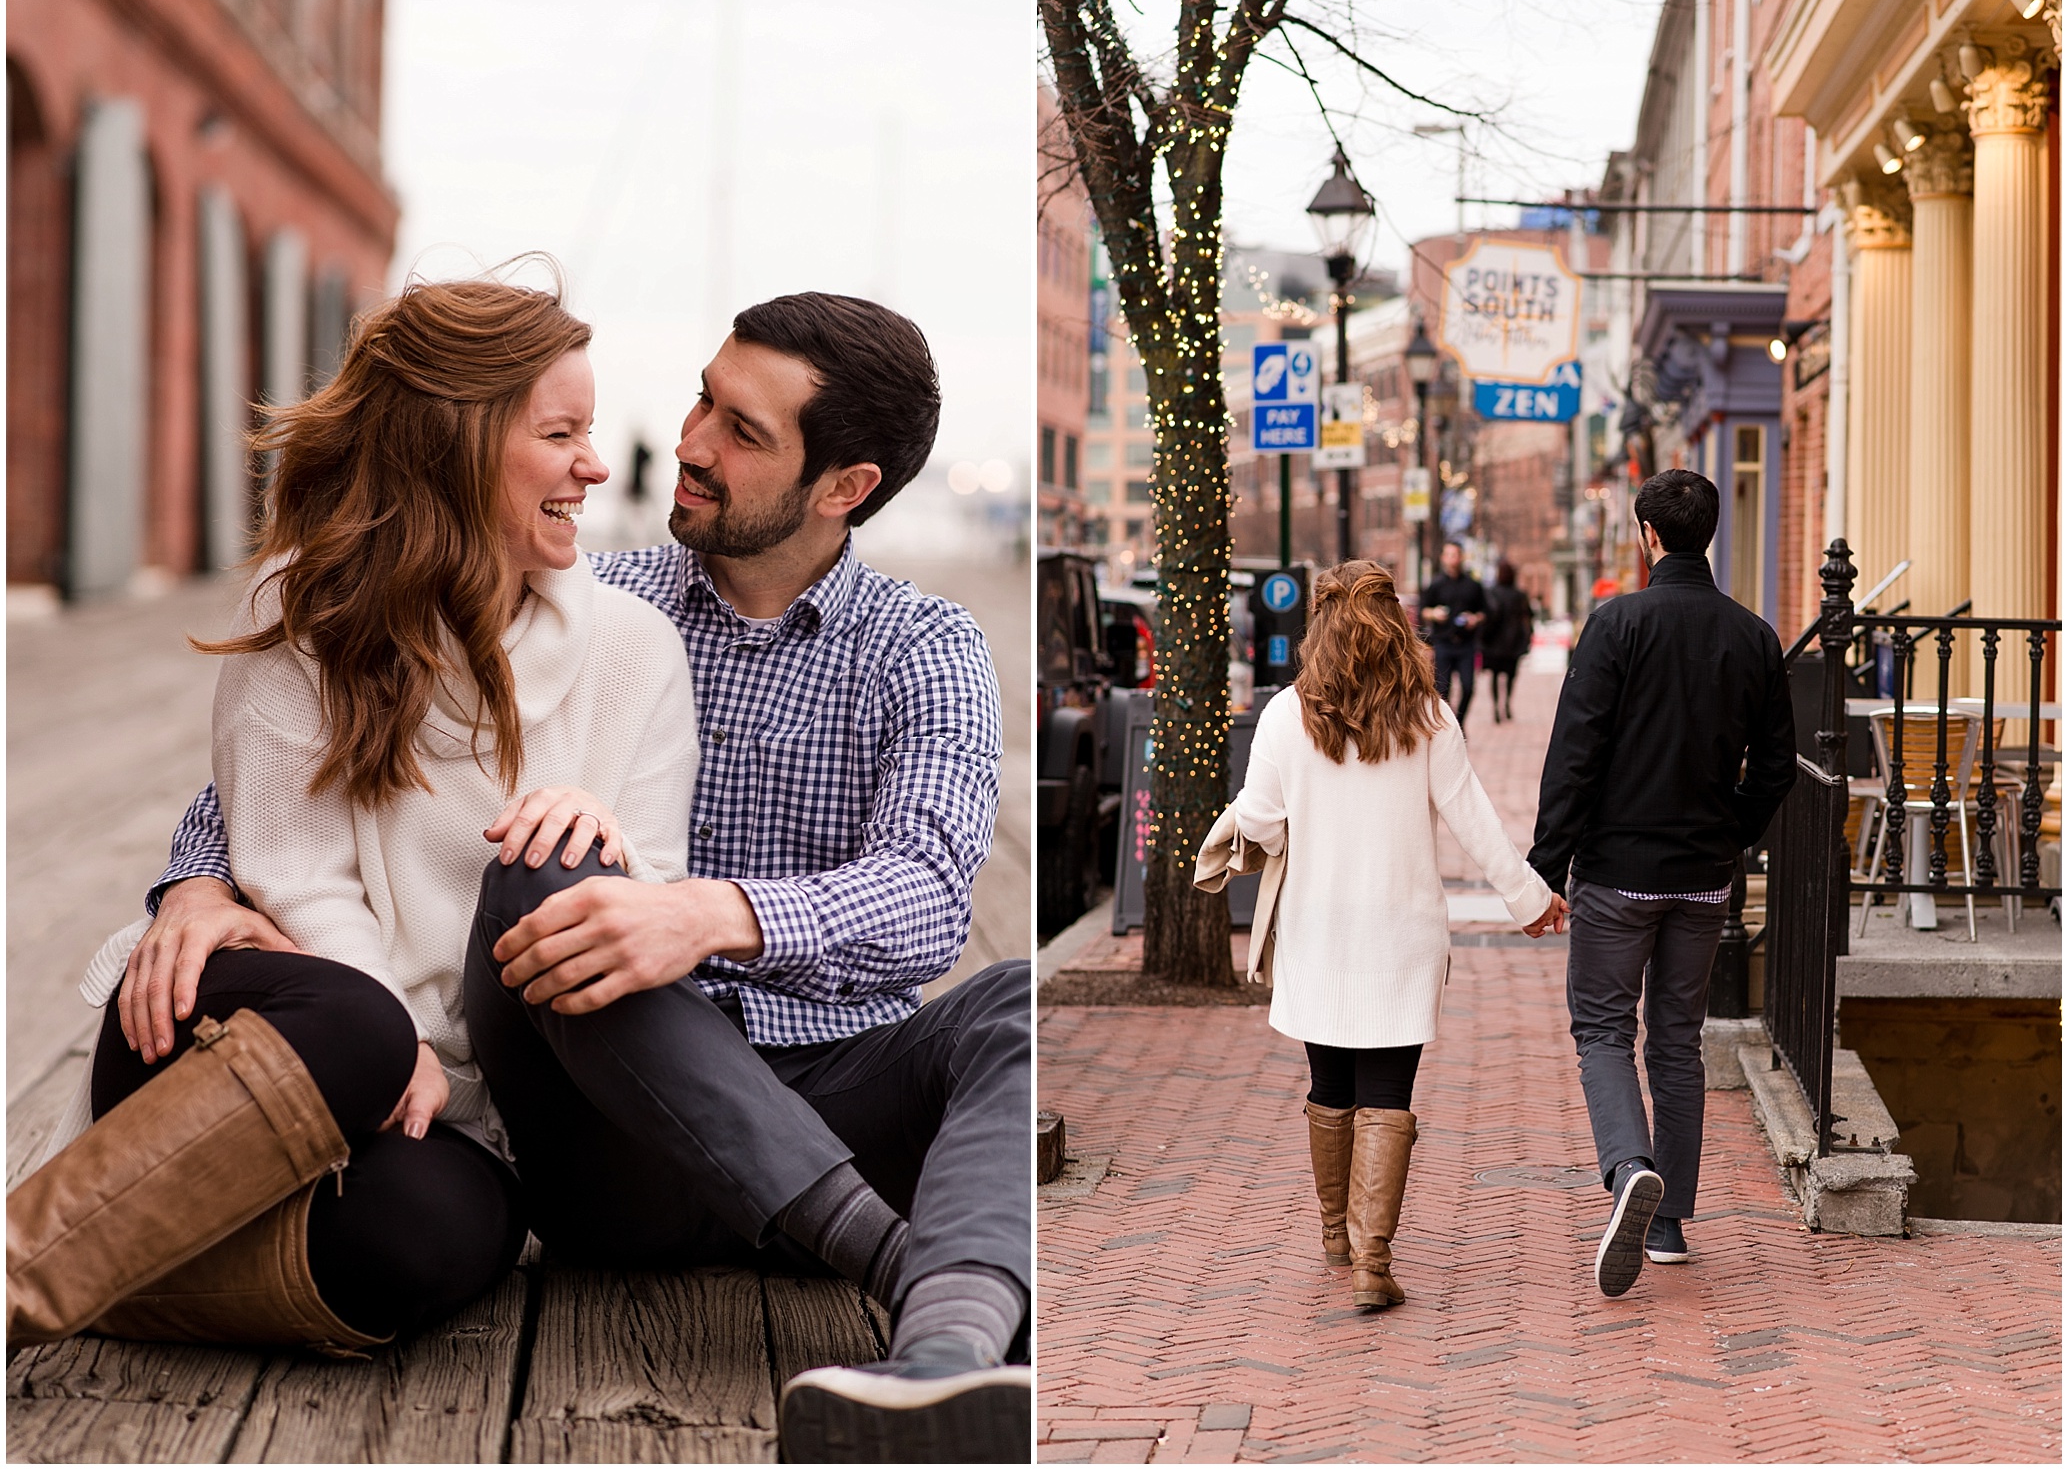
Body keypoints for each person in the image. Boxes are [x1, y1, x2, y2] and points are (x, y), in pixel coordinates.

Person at [117, 293, 1028, 1462]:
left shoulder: (924, 647)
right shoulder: (589, 599)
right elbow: (324, 735)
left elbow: (929, 894)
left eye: (742, 432)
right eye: (704, 398)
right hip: (607, 1129)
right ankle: (904, 1264)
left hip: (837, 1097)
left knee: (1012, 1008)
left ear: (843, 485)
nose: (690, 441)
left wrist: (701, 915)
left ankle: (945, 1361)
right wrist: (195, 881)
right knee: (548, 866)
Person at [8, 278, 700, 1355]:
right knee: (359, 1027)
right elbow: (292, 867)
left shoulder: (637, 651)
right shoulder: (303, 607)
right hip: (263, 1022)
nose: (595, 467)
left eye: (592, 433)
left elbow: (649, 889)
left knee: (430, 1239)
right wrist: (390, 1043)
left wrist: (595, 840)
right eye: (560, 433)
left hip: (457, 1102)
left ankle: (102, 1270)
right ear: (455, 448)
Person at [1224, 561, 1566, 1312]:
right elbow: (1476, 822)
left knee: (1330, 1084)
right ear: (1397, 625)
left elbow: (1257, 819)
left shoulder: (1288, 714)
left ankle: (1334, 1235)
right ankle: (1372, 1264)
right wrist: (1531, 900)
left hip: (1317, 928)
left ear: (1320, 625)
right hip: (1400, 933)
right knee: (1388, 1092)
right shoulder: (1427, 716)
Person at [1527, 470, 1795, 1298]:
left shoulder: (1615, 626)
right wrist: (1731, 833)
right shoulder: (1753, 636)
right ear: (1706, 534)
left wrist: (1543, 867)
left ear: (1648, 535)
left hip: (1616, 874)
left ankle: (1629, 1170)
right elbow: (1778, 768)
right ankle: (1670, 1220)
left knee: (1604, 1030)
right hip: (1704, 878)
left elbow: (1576, 757)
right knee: (1676, 1040)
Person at [1419, 541, 1488, 727]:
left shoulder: (1473, 585)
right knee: (1442, 689)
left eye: (1456, 555)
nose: (1452, 559)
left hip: (1466, 643)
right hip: (1443, 642)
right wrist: (1434, 614)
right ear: (1443, 558)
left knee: (1468, 686)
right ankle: (1448, 726)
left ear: (1462, 557)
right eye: (1448, 555)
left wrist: (1475, 619)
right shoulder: (1435, 584)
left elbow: (1485, 612)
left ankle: (1459, 722)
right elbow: (1423, 610)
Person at [1479, 560, 1532, 723]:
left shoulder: (1492, 592)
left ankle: (1496, 706)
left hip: (1494, 640)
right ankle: (1507, 703)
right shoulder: (1519, 595)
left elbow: (1487, 616)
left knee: (1494, 676)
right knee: (1510, 675)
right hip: (1513, 641)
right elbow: (1528, 615)